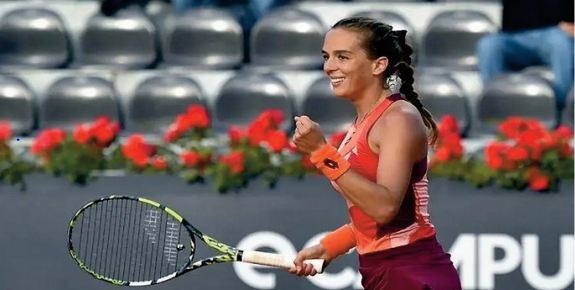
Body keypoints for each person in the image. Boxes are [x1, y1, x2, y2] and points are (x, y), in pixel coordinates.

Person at [289, 17, 462, 290]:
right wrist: (331, 246)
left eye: (342, 57)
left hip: (411, 273)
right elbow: (370, 215)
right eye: (327, 56)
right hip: (387, 271)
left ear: (378, 65)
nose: (329, 67)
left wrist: (321, 152)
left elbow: (385, 208)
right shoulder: (363, 123)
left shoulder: (398, 118)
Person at [477, 0, 574, 111]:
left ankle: (563, 107)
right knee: (488, 45)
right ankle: (496, 106)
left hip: (554, 34)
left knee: (559, 42)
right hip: (513, 37)